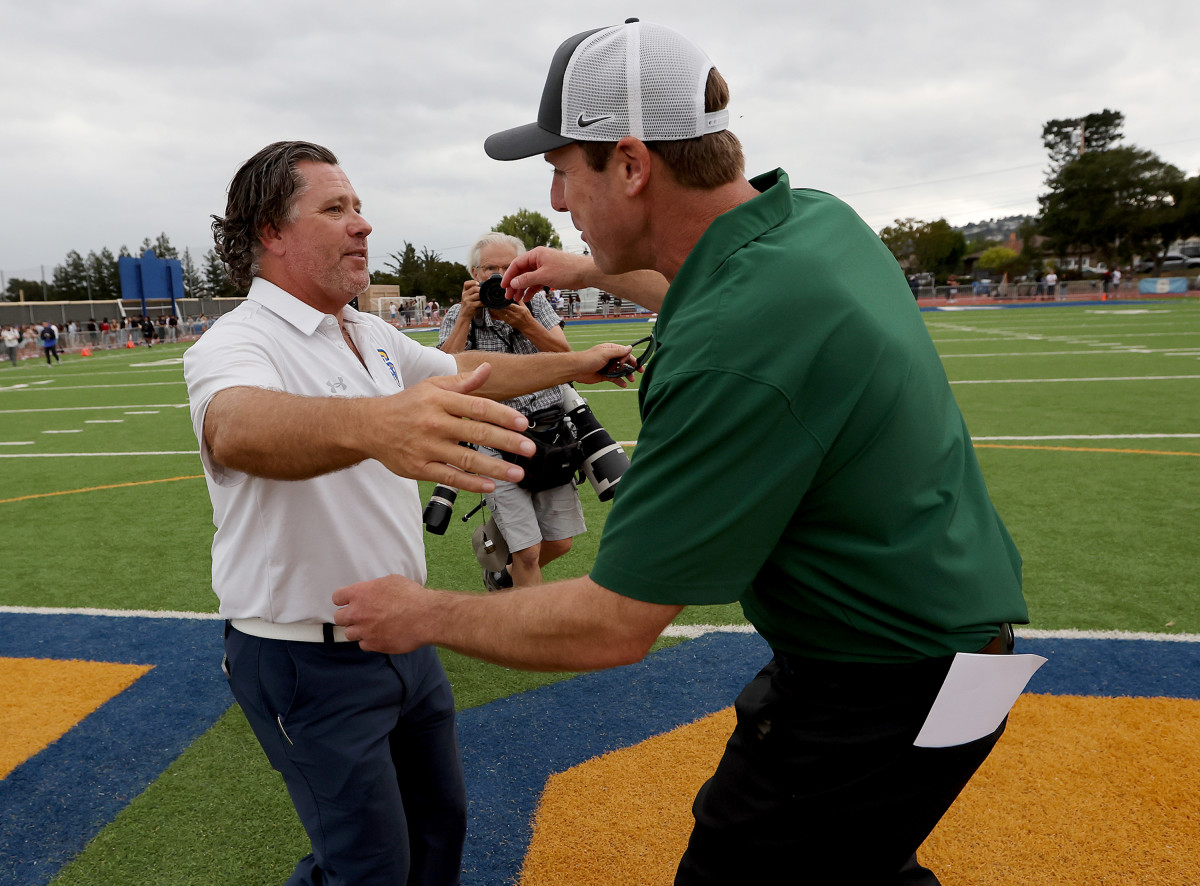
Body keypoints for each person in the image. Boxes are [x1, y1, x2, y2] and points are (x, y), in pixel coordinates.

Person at [333, 20, 1031, 886]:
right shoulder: (815, 221)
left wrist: (421, 614)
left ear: (630, 165)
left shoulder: (732, 349)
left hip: (875, 685)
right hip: (952, 651)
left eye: (563, 168)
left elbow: (613, 623)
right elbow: (711, 272)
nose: (556, 199)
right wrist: (589, 271)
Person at [184, 140, 632, 886]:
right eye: (335, 209)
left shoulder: (365, 331)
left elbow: (465, 372)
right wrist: (373, 425)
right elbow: (234, 427)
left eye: (358, 205)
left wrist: (578, 363)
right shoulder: (237, 341)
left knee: (435, 836)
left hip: (405, 632)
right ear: (271, 231)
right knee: (368, 868)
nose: (362, 224)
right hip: (306, 655)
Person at [439, 232, 586, 590]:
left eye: (508, 268)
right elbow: (441, 369)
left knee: (561, 542)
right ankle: (532, 636)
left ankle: (502, 578)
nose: (499, 275)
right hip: (496, 440)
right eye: (491, 267)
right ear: (475, 273)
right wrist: (465, 318)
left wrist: (525, 323)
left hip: (549, 435)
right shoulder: (461, 313)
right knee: (527, 552)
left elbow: (567, 358)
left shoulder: (535, 304)